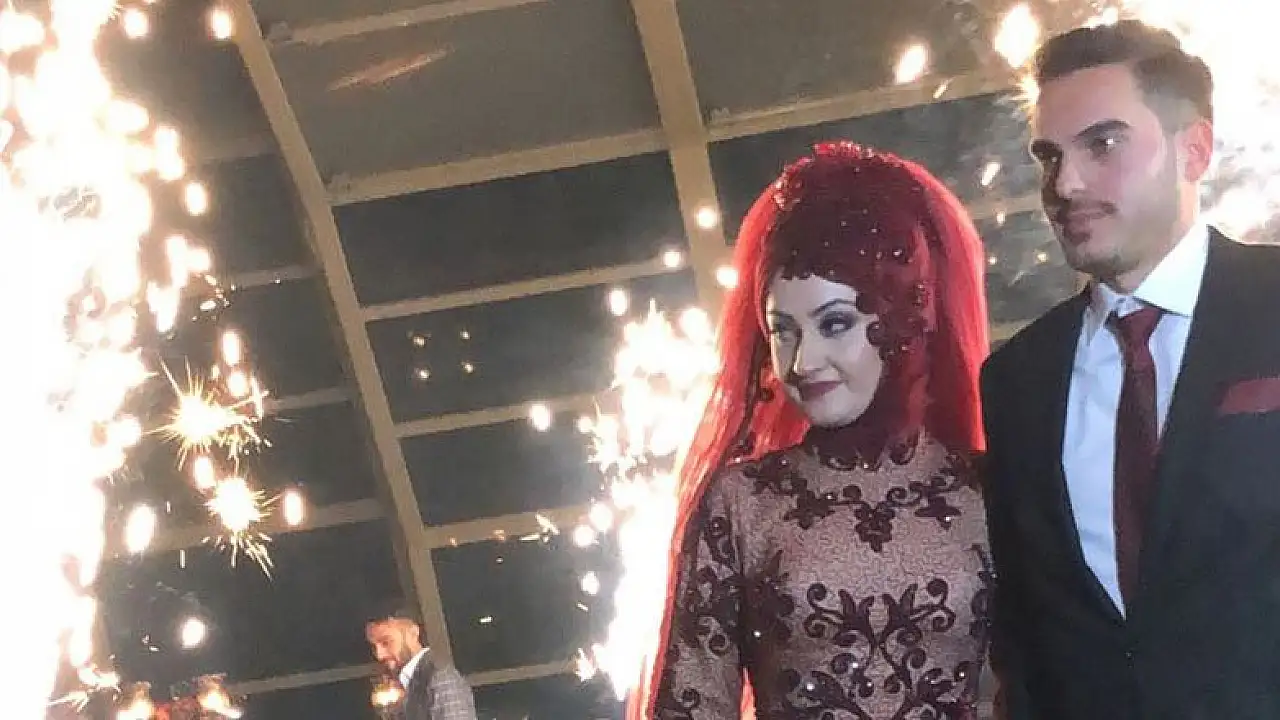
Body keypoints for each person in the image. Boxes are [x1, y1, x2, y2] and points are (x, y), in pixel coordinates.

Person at [981, 19, 1280, 719]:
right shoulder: (1018, 378)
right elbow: (1029, 631)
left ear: (1194, 149)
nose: (1065, 183)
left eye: (1102, 144)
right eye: (1049, 157)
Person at [632, 141, 992, 719]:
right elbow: (693, 705)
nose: (802, 363)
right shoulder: (742, 503)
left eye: (835, 323)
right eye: (783, 331)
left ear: (905, 318)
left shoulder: (986, 490)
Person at [365, 603, 477, 720]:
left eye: (386, 642)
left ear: (413, 633)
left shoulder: (440, 677)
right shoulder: (396, 684)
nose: (379, 655)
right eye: (373, 647)